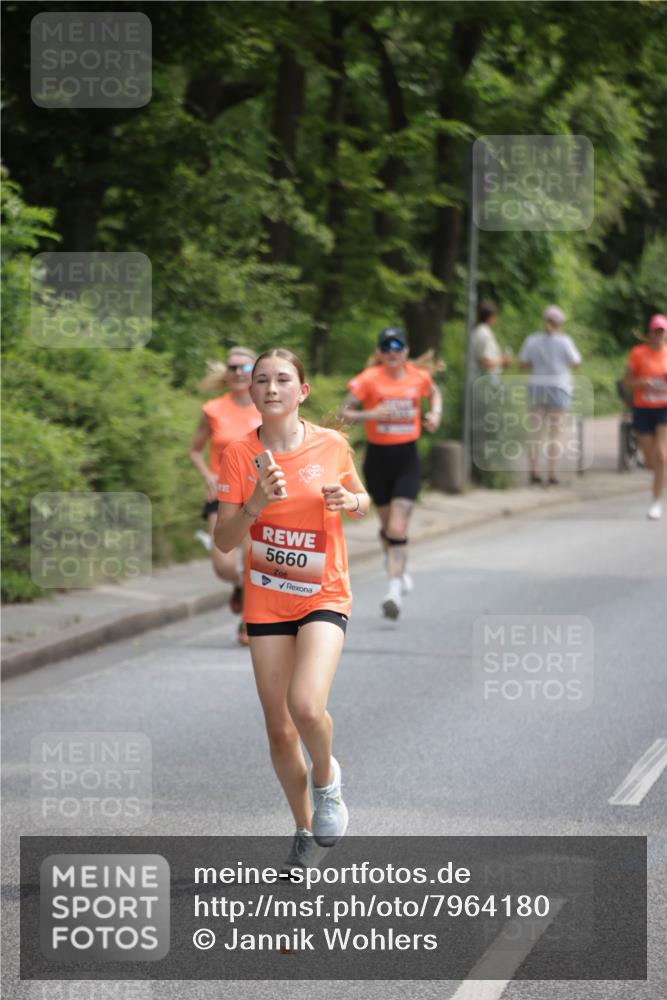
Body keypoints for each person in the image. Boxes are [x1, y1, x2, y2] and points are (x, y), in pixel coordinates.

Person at [214, 348, 369, 872]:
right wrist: (255, 503)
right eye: (262, 380)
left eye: (283, 379)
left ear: (302, 391)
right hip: (267, 601)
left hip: (324, 593)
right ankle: (304, 829)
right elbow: (225, 540)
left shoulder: (331, 445)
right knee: (280, 730)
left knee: (305, 706)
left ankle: (327, 781)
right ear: (252, 392)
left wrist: (350, 502)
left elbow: (362, 499)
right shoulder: (239, 454)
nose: (271, 388)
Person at [339, 327, 442, 620]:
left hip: (407, 459)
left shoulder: (418, 377)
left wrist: (435, 413)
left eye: (398, 347)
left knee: (397, 528)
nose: (392, 352)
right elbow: (343, 412)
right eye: (386, 347)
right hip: (377, 460)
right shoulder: (368, 379)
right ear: (380, 352)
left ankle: (393, 590)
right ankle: (399, 569)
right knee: (386, 529)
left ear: (406, 351)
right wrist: (370, 415)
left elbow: (435, 394)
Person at [189, 348, 262, 644]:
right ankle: (241, 586)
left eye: (246, 368)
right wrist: (208, 475)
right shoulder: (213, 409)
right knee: (223, 565)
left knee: (252, 558)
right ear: (227, 373)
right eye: (233, 368)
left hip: (256, 492)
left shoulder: (267, 407)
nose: (239, 373)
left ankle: (248, 621)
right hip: (222, 492)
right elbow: (195, 451)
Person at [518, 305, 581, 486]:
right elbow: (576, 362)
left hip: (537, 387)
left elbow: (522, 365)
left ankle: (533, 472)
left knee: (535, 433)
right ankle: (552, 474)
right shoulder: (565, 341)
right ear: (560, 323)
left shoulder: (532, 340)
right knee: (555, 434)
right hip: (559, 388)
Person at [622, 313, 667, 520]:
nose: (658, 335)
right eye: (655, 331)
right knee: (650, 461)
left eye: (662, 332)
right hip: (642, 408)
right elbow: (626, 383)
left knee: (662, 456)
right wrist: (643, 382)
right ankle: (660, 474)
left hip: (664, 408)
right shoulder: (638, 353)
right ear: (649, 333)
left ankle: (656, 502)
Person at [471, 300, 513, 379]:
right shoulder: (484, 333)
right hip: (486, 379)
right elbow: (486, 362)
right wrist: (504, 360)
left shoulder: (478, 331)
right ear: (490, 316)